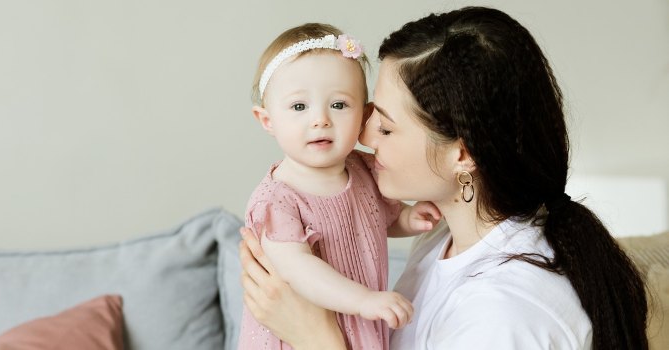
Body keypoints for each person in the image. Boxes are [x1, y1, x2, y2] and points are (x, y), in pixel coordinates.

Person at [239, 7, 649, 350]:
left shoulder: (503, 318)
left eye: (384, 127)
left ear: (463, 153)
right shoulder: (444, 237)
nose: (361, 137)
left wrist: (316, 338)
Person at [239, 23, 441, 350]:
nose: (320, 119)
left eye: (339, 105)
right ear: (268, 120)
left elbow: (379, 218)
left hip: (356, 324)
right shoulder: (279, 200)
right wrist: (363, 300)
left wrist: (407, 219)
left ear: (364, 116)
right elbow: (297, 269)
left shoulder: (362, 170)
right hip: (297, 332)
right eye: (299, 107)